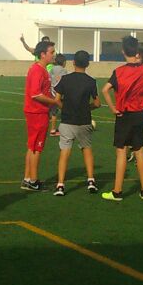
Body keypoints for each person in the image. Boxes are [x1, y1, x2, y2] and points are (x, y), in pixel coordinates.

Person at [101, 36, 143, 201]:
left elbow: (105, 90)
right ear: (137, 52)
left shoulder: (119, 71)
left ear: (123, 51)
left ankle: (117, 191)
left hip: (124, 115)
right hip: (140, 115)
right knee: (139, 151)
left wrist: (112, 108)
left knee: (121, 151)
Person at [53, 50, 102, 196]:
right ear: (87, 64)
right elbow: (97, 103)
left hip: (67, 120)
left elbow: (56, 100)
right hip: (84, 121)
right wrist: (87, 108)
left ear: (73, 62)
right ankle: (91, 180)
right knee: (87, 149)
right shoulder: (91, 81)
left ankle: (60, 185)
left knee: (65, 151)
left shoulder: (65, 79)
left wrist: (65, 108)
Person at [21, 40, 57, 191]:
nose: (54, 55)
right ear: (43, 54)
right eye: (51, 52)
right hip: (37, 112)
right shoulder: (38, 70)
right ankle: (33, 180)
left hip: (36, 112)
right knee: (37, 147)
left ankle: (27, 178)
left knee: (32, 146)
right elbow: (36, 94)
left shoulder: (41, 70)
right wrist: (54, 102)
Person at [47, 52, 67, 136]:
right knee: (65, 111)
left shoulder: (52, 69)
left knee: (53, 112)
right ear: (63, 62)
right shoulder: (64, 70)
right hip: (60, 94)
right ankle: (61, 129)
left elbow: (48, 79)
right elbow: (65, 81)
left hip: (52, 93)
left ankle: (52, 129)